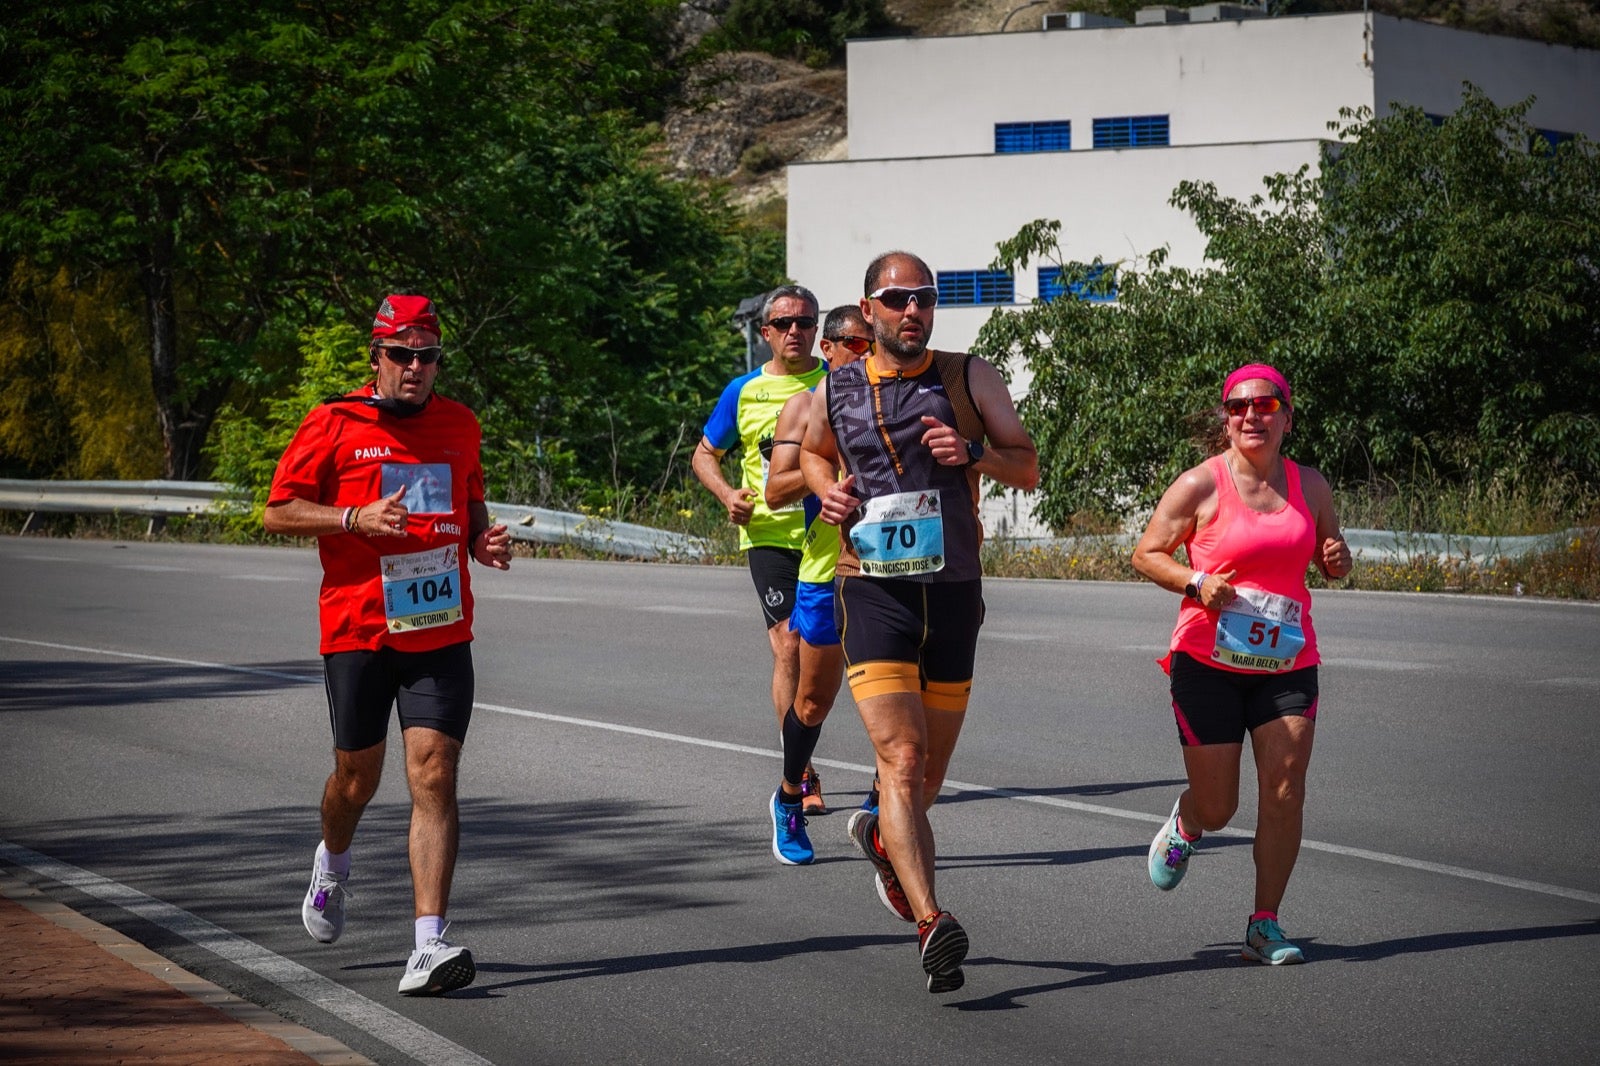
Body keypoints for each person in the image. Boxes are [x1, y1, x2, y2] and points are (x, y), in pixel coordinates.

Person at [800, 252, 1038, 993]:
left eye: (925, 299)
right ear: (867, 310)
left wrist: (972, 452)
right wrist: (827, 495)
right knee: (901, 761)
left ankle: (878, 834)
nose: (913, 310)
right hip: (872, 592)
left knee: (927, 774)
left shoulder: (970, 377)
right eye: (897, 298)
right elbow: (809, 457)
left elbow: (1027, 465)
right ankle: (933, 920)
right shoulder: (836, 388)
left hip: (954, 594)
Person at [263, 294, 513, 996]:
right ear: (374, 357)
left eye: (426, 356)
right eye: (400, 355)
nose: (414, 367)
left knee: (434, 772)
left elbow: (470, 506)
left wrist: (482, 540)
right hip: (358, 629)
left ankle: (427, 948)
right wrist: (350, 515)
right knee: (357, 779)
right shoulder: (333, 422)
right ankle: (333, 864)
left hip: (440, 629)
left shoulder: (461, 423)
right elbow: (276, 510)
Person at [1131, 362, 1352, 966]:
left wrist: (1337, 557)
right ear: (1226, 419)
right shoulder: (1199, 486)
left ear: (1287, 416)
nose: (1252, 415)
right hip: (1208, 661)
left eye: (1266, 405)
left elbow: (1332, 559)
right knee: (1221, 805)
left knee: (1284, 790)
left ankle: (1265, 923)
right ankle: (1188, 823)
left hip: (1287, 659)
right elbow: (1147, 555)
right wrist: (1197, 581)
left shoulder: (1312, 485)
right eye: (1239, 407)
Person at [692, 285, 830, 814]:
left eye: (805, 322)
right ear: (765, 332)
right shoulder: (743, 391)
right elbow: (705, 453)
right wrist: (728, 493)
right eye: (785, 323)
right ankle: (802, 771)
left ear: (817, 330)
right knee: (789, 645)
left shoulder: (837, 381)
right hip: (770, 534)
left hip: (831, 535)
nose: (796, 331)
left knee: (842, 653)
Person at [761, 305, 873, 865]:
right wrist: (820, 482)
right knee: (812, 700)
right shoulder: (804, 406)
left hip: (885, 572)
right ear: (828, 349)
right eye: (856, 342)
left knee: (903, 699)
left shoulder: (894, 399)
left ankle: (882, 808)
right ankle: (788, 797)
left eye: (870, 342)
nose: (867, 350)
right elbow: (774, 491)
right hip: (824, 571)